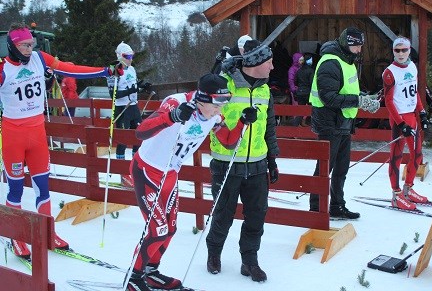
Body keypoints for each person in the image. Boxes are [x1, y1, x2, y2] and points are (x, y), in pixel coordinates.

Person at [0, 22, 123, 258]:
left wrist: (105, 71)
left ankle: (48, 232)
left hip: (36, 132)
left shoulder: (39, 58)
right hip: (14, 134)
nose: (29, 49)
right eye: (25, 45)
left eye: (31, 44)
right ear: (13, 46)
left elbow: (69, 69)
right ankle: (16, 236)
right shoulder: (3, 69)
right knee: (15, 189)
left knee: (42, 187)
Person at [127, 73, 253, 291]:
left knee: (171, 228)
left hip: (170, 174)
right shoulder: (176, 103)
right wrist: (172, 117)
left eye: (223, 104)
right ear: (202, 99)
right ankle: (134, 279)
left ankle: (151, 272)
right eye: (216, 105)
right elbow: (141, 132)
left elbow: (229, 143)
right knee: (157, 230)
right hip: (147, 170)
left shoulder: (213, 115)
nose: (219, 110)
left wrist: (243, 122)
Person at [206, 39, 280, 283]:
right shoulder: (225, 84)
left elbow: (269, 127)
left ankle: (250, 261)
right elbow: (208, 115)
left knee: (257, 216)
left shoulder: (265, 89)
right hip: (226, 163)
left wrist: (272, 160)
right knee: (223, 215)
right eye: (268, 62)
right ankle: (214, 253)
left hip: (257, 164)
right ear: (256, 63)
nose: (272, 67)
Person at [309, 27, 380, 219]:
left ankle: (337, 206)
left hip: (343, 123)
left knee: (341, 168)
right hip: (329, 123)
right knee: (325, 169)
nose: (359, 49)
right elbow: (328, 97)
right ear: (346, 44)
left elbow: (346, 89)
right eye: (356, 45)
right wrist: (358, 101)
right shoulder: (330, 62)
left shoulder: (347, 61)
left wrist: (364, 98)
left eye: (360, 45)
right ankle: (316, 209)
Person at [382, 36, 429, 211]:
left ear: (409, 50)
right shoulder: (389, 72)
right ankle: (396, 195)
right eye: (397, 50)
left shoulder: (412, 66)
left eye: (404, 50)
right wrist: (401, 124)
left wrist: (422, 112)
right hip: (398, 118)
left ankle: (408, 189)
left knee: (418, 155)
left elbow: (414, 91)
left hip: (412, 116)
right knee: (396, 156)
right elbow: (388, 101)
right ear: (393, 51)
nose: (401, 54)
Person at [107, 42, 151, 186]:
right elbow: (113, 95)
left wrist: (141, 87)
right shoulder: (113, 71)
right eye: (127, 56)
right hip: (121, 108)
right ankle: (122, 174)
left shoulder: (132, 69)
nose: (130, 59)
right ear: (120, 56)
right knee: (123, 141)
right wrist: (130, 91)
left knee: (138, 137)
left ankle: (135, 170)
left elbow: (134, 85)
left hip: (133, 107)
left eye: (132, 56)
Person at [292, 53, 315, 126]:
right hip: (308, 93)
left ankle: (293, 127)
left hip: (300, 93)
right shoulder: (311, 71)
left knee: (301, 112)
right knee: (313, 110)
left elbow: (295, 81)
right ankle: (310, 125)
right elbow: (312, 83)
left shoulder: (299, 70)